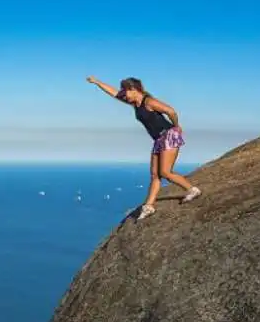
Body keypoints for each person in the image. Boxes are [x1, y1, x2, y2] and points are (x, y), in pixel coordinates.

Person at [86, 76, 201, 219]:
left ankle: (192, 190)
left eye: (126, 91)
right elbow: (114, 93)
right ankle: (149, 206)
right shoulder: (135, 103)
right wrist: (97, 82)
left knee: (165, 172)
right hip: (158, 139)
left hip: (169, 135)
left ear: (133, 90)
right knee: (154, 174)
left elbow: (171, 111)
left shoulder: (149, 102)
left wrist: (177, 127)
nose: (124, 95)